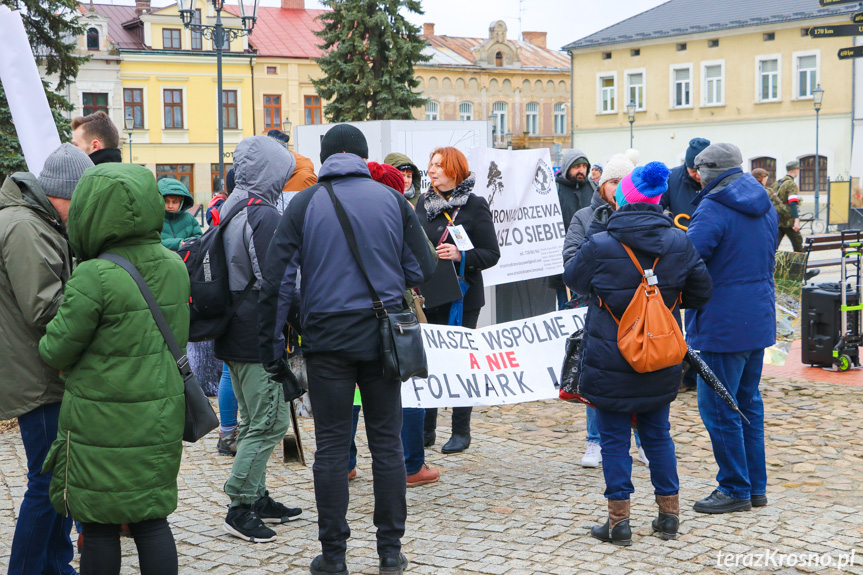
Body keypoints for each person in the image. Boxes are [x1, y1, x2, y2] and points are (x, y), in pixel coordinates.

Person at [258, 124, 436, 575]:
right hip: (382, 339)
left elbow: (276, 283)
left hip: (326, 340)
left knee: (333, 449)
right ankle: (390, 553)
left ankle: (334, 556)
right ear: (362, 156)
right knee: (387, 446)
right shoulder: (393, 200)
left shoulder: (303, 203)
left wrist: (273, 345)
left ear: (323, 158)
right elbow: (424, 266)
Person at [38, 163, 189, 575]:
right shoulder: (175, 266)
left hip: (101, 420)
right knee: (152, 520)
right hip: (158, 415)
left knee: (100, 525)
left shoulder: (94, 275)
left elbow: (55, 349)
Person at [565, 161, 713, 546]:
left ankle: (619, 523)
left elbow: (574, 280)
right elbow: (701, 292)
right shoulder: (679, 241)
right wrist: (666, 299)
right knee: (658, 435)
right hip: (661, 354)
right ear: (657, 199)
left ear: (624, 197)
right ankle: (669, 516)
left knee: (614, 439)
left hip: (611, 355)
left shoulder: (600, 242)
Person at [1, 143, 93, 575]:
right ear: (63, 194)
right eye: (82, 201)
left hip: (42, 368)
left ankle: (56, 565)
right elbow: (44, 308)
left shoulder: (36, 220)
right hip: (36, 376)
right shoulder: (25, 226)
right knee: (47, 480)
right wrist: (95, 304)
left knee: (59, 479)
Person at [217, 136, 301, 542]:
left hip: (234, 332)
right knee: (270, 422)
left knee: (253, 420)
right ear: (270, 171)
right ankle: (239, 503)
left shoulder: (233, 205)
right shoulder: (262, 214)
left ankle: (258, 494)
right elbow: (277, 282)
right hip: (256, 336)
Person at [686, 143, 777, 514]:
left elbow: (688, 258)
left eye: (698, 171)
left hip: (722, 324)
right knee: (748, 405)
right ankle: (755, 487)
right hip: (756, 319)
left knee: (720, 408)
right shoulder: (764, 202)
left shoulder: (714, 207)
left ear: (706, 173)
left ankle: (735, 488)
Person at [347, 161, 440, 488]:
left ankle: (345, 463)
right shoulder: (398, 215)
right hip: (393, 316)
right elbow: (425, 263)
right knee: (406, 386)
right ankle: (411, 465)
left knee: (350, 391)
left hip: (346, 317)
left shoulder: (340, 212)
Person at [562, 152, 649, 469]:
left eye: (623, 182)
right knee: (598, 375)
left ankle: (643, 442)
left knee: (641, 376)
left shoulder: (646, 214)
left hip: (640, 310)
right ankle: (595, 440)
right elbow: (571, 260)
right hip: (599, 308)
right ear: (602, 185)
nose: (617, 188)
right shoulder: (586, 217)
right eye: (612, 181)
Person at [416, 146, 501, 454]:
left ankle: (460, 430)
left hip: (463, 299)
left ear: (454, 170)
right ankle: (426, 430)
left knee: (460, 363)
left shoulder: (475, 206)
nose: (432, 169)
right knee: (428, 364)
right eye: (431, 164)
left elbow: (492, 253)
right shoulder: (423, 204)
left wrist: (460, 254)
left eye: (439, 165)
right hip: (429, 296)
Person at [660, 137, 710, 392]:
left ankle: (696, 371)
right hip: (679, 254)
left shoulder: (714, 179)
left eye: (699, 171)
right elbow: (658, 207)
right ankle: (683, 369)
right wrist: (669, 223)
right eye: (692, 171)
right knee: (680, 317)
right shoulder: (673, 177)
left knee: (702, 313)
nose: (696, 176)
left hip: (707, 254)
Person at [550, 149, 595, 308]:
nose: (581, 170)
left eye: (584, 166)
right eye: (577, 166)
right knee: (565, 306)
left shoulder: (593, 188)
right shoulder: (554, 189)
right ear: (567, 167)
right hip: (563, 256)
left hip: (590, 257)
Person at [159, 177, 202, 250]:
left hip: (187, 259)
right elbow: (151, 243)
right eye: (166, 201)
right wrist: (178, 243)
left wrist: (186, 243)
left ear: (181, 202)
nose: (170, 206)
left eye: (175, 202)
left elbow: (199, 238)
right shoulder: (154, 219)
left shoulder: (189, 218)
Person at [773, 160, 803, 253]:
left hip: (776, 218)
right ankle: (799, 267)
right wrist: (796, 220)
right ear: (795, 170)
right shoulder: (791, 184)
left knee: (773, 246)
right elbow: (793, 202)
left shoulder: (777, 183)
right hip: (788, 220)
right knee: (798, 247)